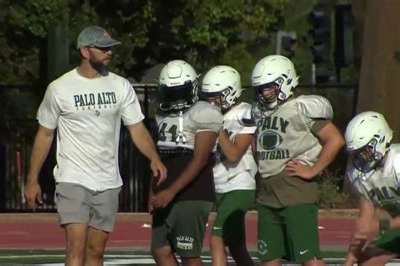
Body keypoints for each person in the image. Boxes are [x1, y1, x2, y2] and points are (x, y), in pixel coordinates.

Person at [24, 25, 167, 266]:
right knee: (75, 248)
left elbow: (136, 127)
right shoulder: (60, 88)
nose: (109, 52)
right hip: (73, 178)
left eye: (110, 48)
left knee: (96, 251)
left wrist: (154, 157)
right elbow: (45, 134)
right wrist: (32, 179)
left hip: (108, 181)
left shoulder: (120, 86)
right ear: (85, 51)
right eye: (102, 48)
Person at [250, 55, 345, 266]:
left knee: (309, 258)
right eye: (260, 88)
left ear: (285, 81)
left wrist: (313, 170)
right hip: (268, 196)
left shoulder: (301, 108)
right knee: (269, 259)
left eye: (269, 87)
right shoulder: (259, 112)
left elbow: (335, 140)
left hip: (296, 194)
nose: (264, 93)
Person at [150, 59, 223, 266]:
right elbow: (159, 156)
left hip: (193, 192)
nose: (176, 98)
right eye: (171, 92)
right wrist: (153, 189)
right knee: (160, 249)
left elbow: (199, 160)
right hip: (166, 189)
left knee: (189, 253)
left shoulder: (205, 112)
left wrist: (170, 191)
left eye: (181, 91)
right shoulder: (161, 114)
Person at [201, 65, 256, 266]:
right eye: (208, 96)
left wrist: (215, 125)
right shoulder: (215, 115)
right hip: (221, 186)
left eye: (216, 96)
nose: (211, 101)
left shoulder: (244, 112)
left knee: (216, 237)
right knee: (237, 247)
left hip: (239, 184)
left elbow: (233, 154)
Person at [343, 111, 400, 266]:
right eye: (356, 154)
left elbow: (376, 226)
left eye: (364, 151)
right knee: (367, 259)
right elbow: (365, 223)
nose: (360, 158)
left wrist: (382, 226)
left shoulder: (397, 163)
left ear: (379, 140)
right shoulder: (361, 174)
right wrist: (349, 261)